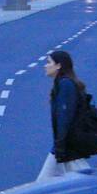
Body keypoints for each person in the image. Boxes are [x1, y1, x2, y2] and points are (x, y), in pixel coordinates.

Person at [37, 50, 91, 180]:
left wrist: (60, 146)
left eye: (49, 62)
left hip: (67, 146)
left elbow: (64, 117)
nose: (45, 65)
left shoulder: (65, 85)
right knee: (81, 182)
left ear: (58, 66)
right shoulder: (63, 84)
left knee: (43, 186)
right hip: (67, 146)